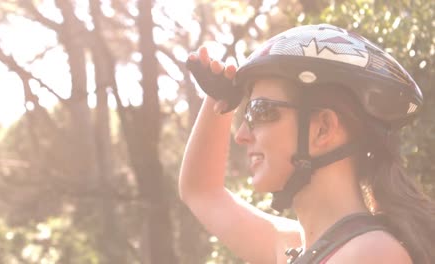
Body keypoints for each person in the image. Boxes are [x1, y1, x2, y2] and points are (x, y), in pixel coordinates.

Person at [178, 24, 435, 264]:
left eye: (261, 112)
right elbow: (201, 191)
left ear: (323, 129)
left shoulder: (370, 254)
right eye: (246, 115)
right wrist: (218, 99)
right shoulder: (304, 247)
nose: (242, 135)